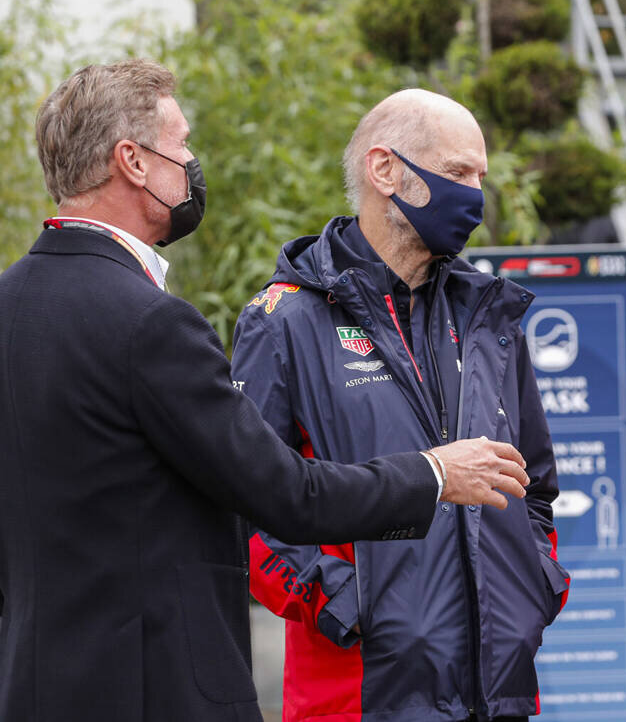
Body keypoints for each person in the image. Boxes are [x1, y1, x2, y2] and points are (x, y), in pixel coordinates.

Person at [0, 60, 531, 722]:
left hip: (34, 683)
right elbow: (281, 496)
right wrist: (431, 477)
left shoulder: (10, 303)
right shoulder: (157, 322)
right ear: (131, 161)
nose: (192, 164)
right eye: (182, 144)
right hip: (158, 689)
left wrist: (527, 588)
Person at [231, 88, 569, 722]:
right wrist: (348, 607)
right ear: (384, 170)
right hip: (362, 692)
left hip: (497, 691)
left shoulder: (488, 318)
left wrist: (533, 590)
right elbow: (245, 503)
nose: (475, 194)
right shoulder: (285, 320)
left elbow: (536, 488)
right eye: (459, 172)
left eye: (481, 176)